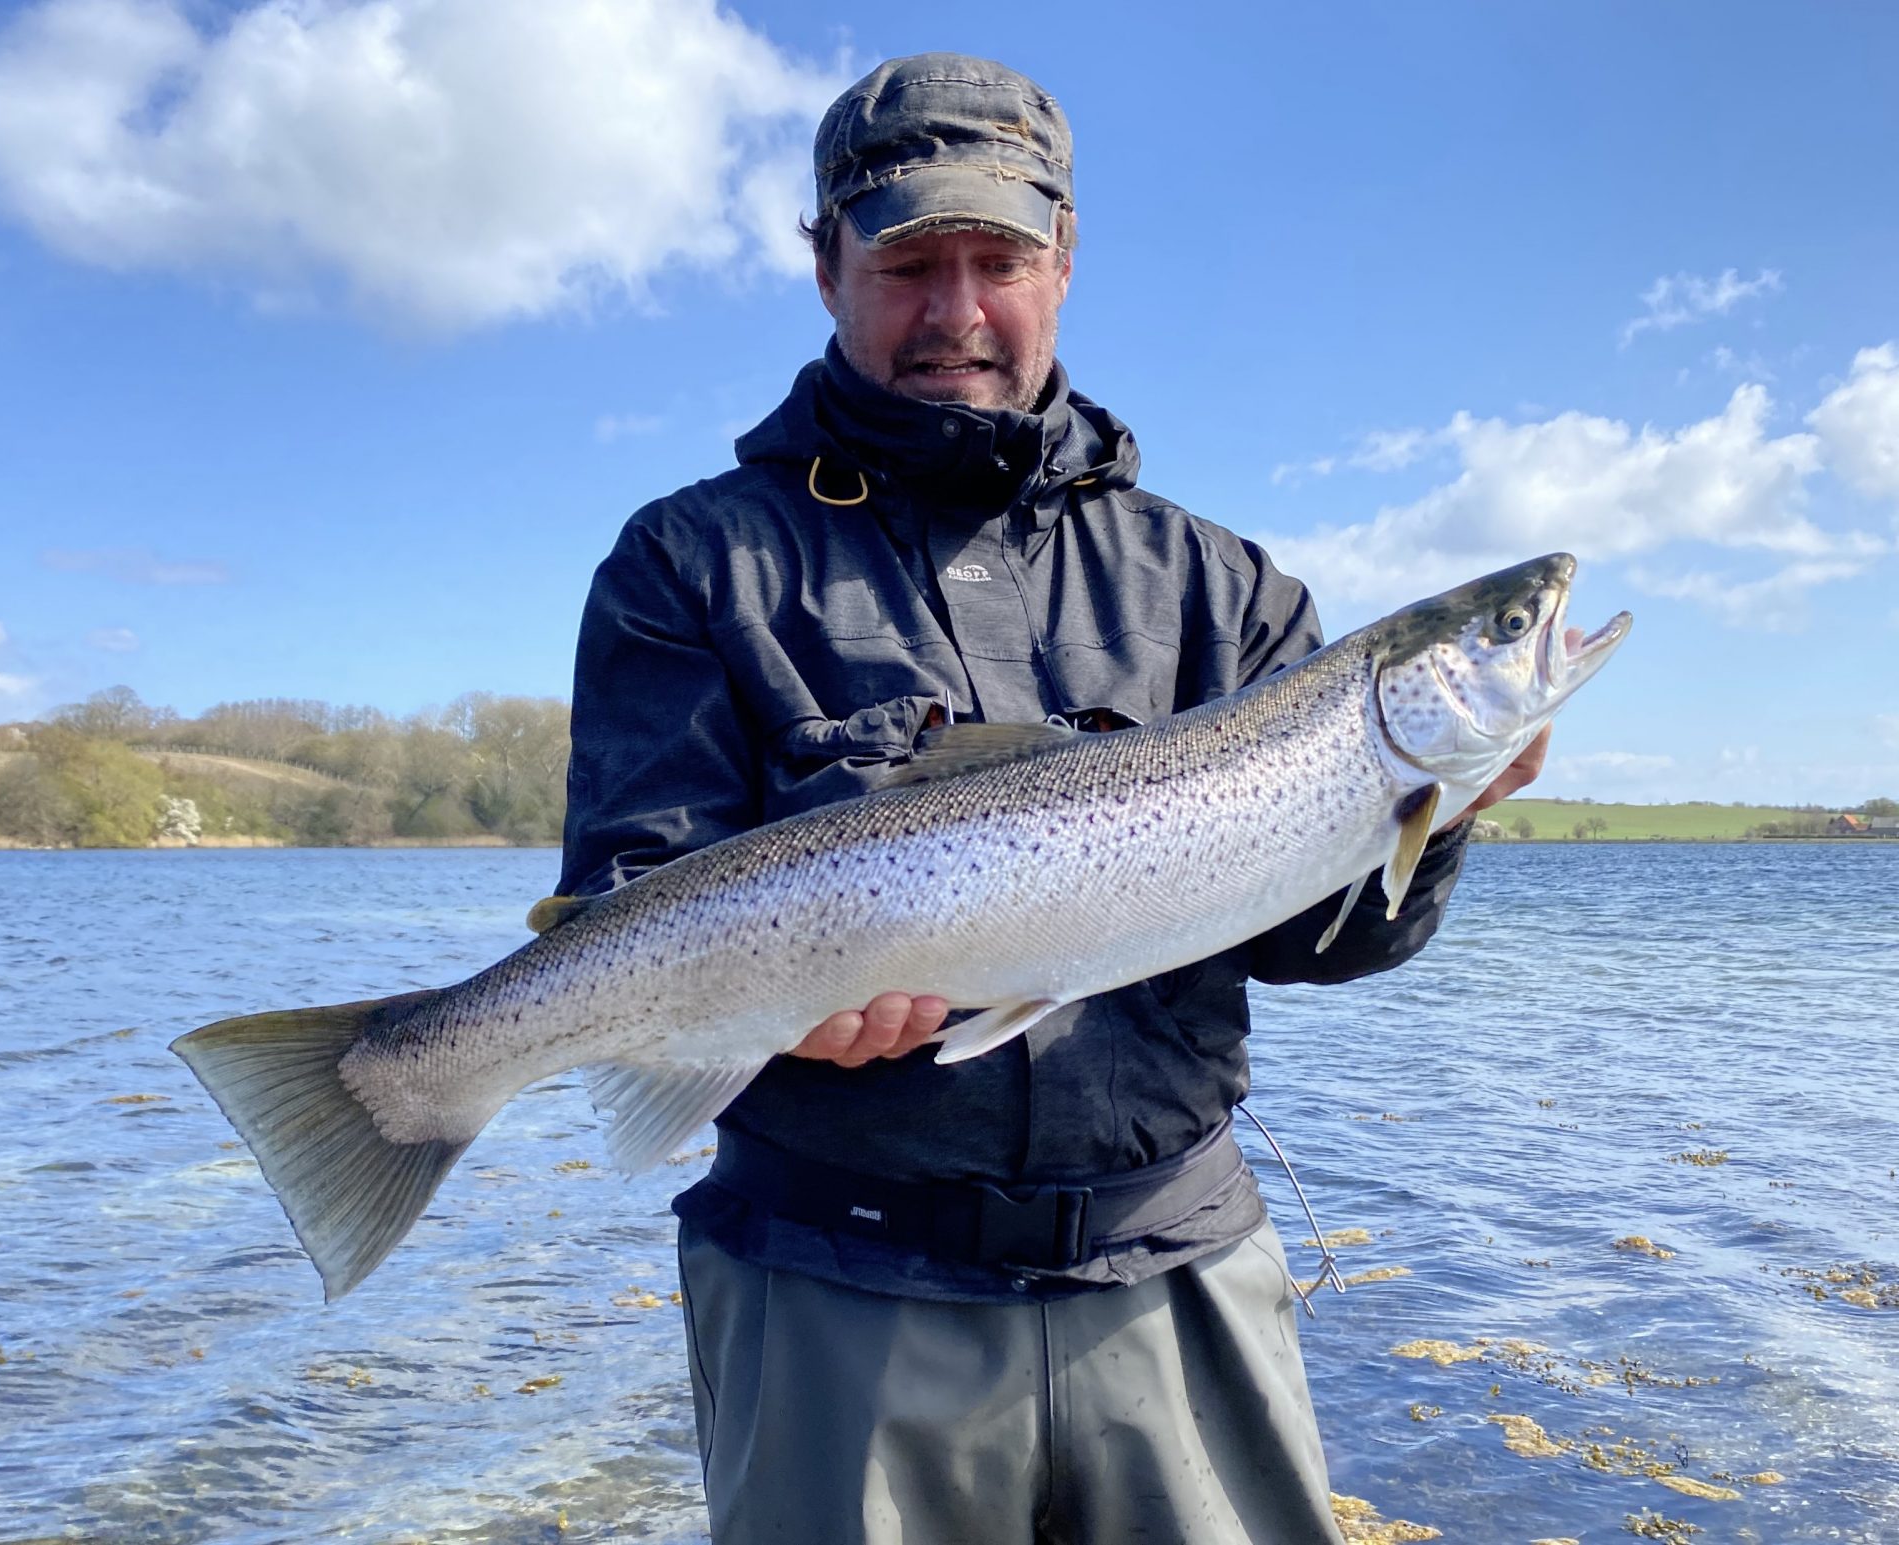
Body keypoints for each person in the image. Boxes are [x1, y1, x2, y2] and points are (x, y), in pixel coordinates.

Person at [553, 52, 1546, 1545]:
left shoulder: (1225, 586)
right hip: (832, 1282)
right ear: (824, 266)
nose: (957, 312)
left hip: (1179, 1275)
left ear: (1065, 262)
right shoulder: (691, 563)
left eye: (1000, 260)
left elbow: (1322, 942)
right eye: (908, 262)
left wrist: (1442, 805)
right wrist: (775, 1005)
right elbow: (640, 877)